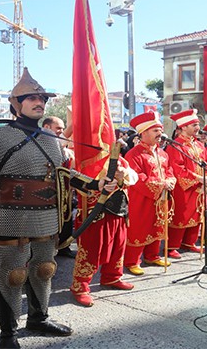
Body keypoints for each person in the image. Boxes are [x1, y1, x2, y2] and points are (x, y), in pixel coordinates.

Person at [0, 68, 116, 348]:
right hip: (11, 215)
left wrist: (96, 186)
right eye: (31, 97)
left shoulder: (51, 139)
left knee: (44, 269)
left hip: (46, 216)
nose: (39, 101)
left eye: (42, 98)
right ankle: (8, 334)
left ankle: (38, 318)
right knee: (13, 275)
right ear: (16, 104)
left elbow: (63, 174)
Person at [69, 152, 135, 307]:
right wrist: (97, 183)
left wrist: (123, 175)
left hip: (119, 209)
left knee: (117, 248)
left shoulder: (120, 158)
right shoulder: (82, 157)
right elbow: (73, 179)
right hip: (95, 212)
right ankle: (80, 287)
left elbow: (131, 177)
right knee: (92, 250)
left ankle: (112, 277)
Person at [123, 111, 175, 275]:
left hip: (161, 196)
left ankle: (152, 255)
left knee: (158, 224)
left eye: (160, 130)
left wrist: (171, 180)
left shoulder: (162, 153)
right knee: (140, 227)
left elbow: (169, 170)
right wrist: (161, 184)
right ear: (143, 133)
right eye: (155, 130)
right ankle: (132, 261)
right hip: (141, 197)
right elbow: (137, 177)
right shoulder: (134, 154)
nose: (160, 134)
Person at [166, 109, 207, 257]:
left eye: (197, 124)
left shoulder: (199, 144)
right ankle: (171, 246)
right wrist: (198, 178)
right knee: (181, 214)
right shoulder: (176, 145)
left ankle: (189, 242)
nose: (197, 127)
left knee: (198, 213)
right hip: (183, 187)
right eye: (194, 124)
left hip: (200, 186)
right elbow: (176, 167)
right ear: (183, 127)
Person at [42, 116, 76, 259]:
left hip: (65, 191)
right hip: (47, 191)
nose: (61, 131)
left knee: (66, 218)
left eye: (62, 128)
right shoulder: (41, 142)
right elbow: (60, 141)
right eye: (58, 128)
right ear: (46, 127)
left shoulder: (65, 150)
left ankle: (64, 247)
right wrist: (74, 123)